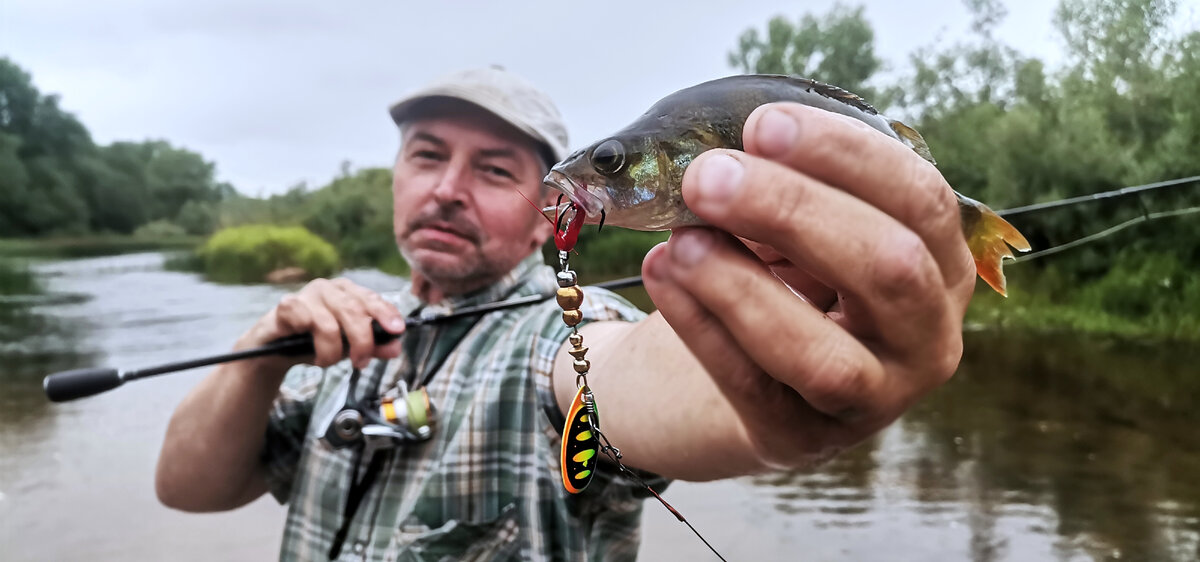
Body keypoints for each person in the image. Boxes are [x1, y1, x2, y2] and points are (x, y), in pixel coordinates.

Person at [155, 67, 974, 561]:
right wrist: (265, 353)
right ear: (397, 176)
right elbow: (189, 488)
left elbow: (629, 379)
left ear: (552, 206)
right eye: (428, 156)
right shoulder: (341, 329)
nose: (448, 188)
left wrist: (778, 372)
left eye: (496, 169)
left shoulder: (563, 330)